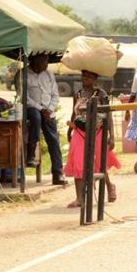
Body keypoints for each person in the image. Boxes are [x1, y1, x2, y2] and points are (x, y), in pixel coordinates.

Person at [63, 70, 121, 208]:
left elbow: (108, 115)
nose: (86, 78)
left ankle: (109, 186)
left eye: (90, 76)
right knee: (78, 161)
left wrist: (111, 136)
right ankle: (79, 198)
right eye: (84, 75)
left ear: (96, 78)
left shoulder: (101, 94)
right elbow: (74, 112)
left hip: (97, 132)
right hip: (79, 132)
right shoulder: (77, 94)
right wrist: (70, 130)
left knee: (97, 162)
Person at [26, 54, 67, 185]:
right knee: (36, 117)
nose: (47, 64)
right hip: (32, 108)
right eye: (44, 61)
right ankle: (31, 152)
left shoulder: (49, 75)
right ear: (35, 61)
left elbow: (55, 95)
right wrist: (41, 109)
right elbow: (24, 97)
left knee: (54, 140)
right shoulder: (23, 75)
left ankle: (58, 174)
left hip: (48, 112)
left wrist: (48, 109)